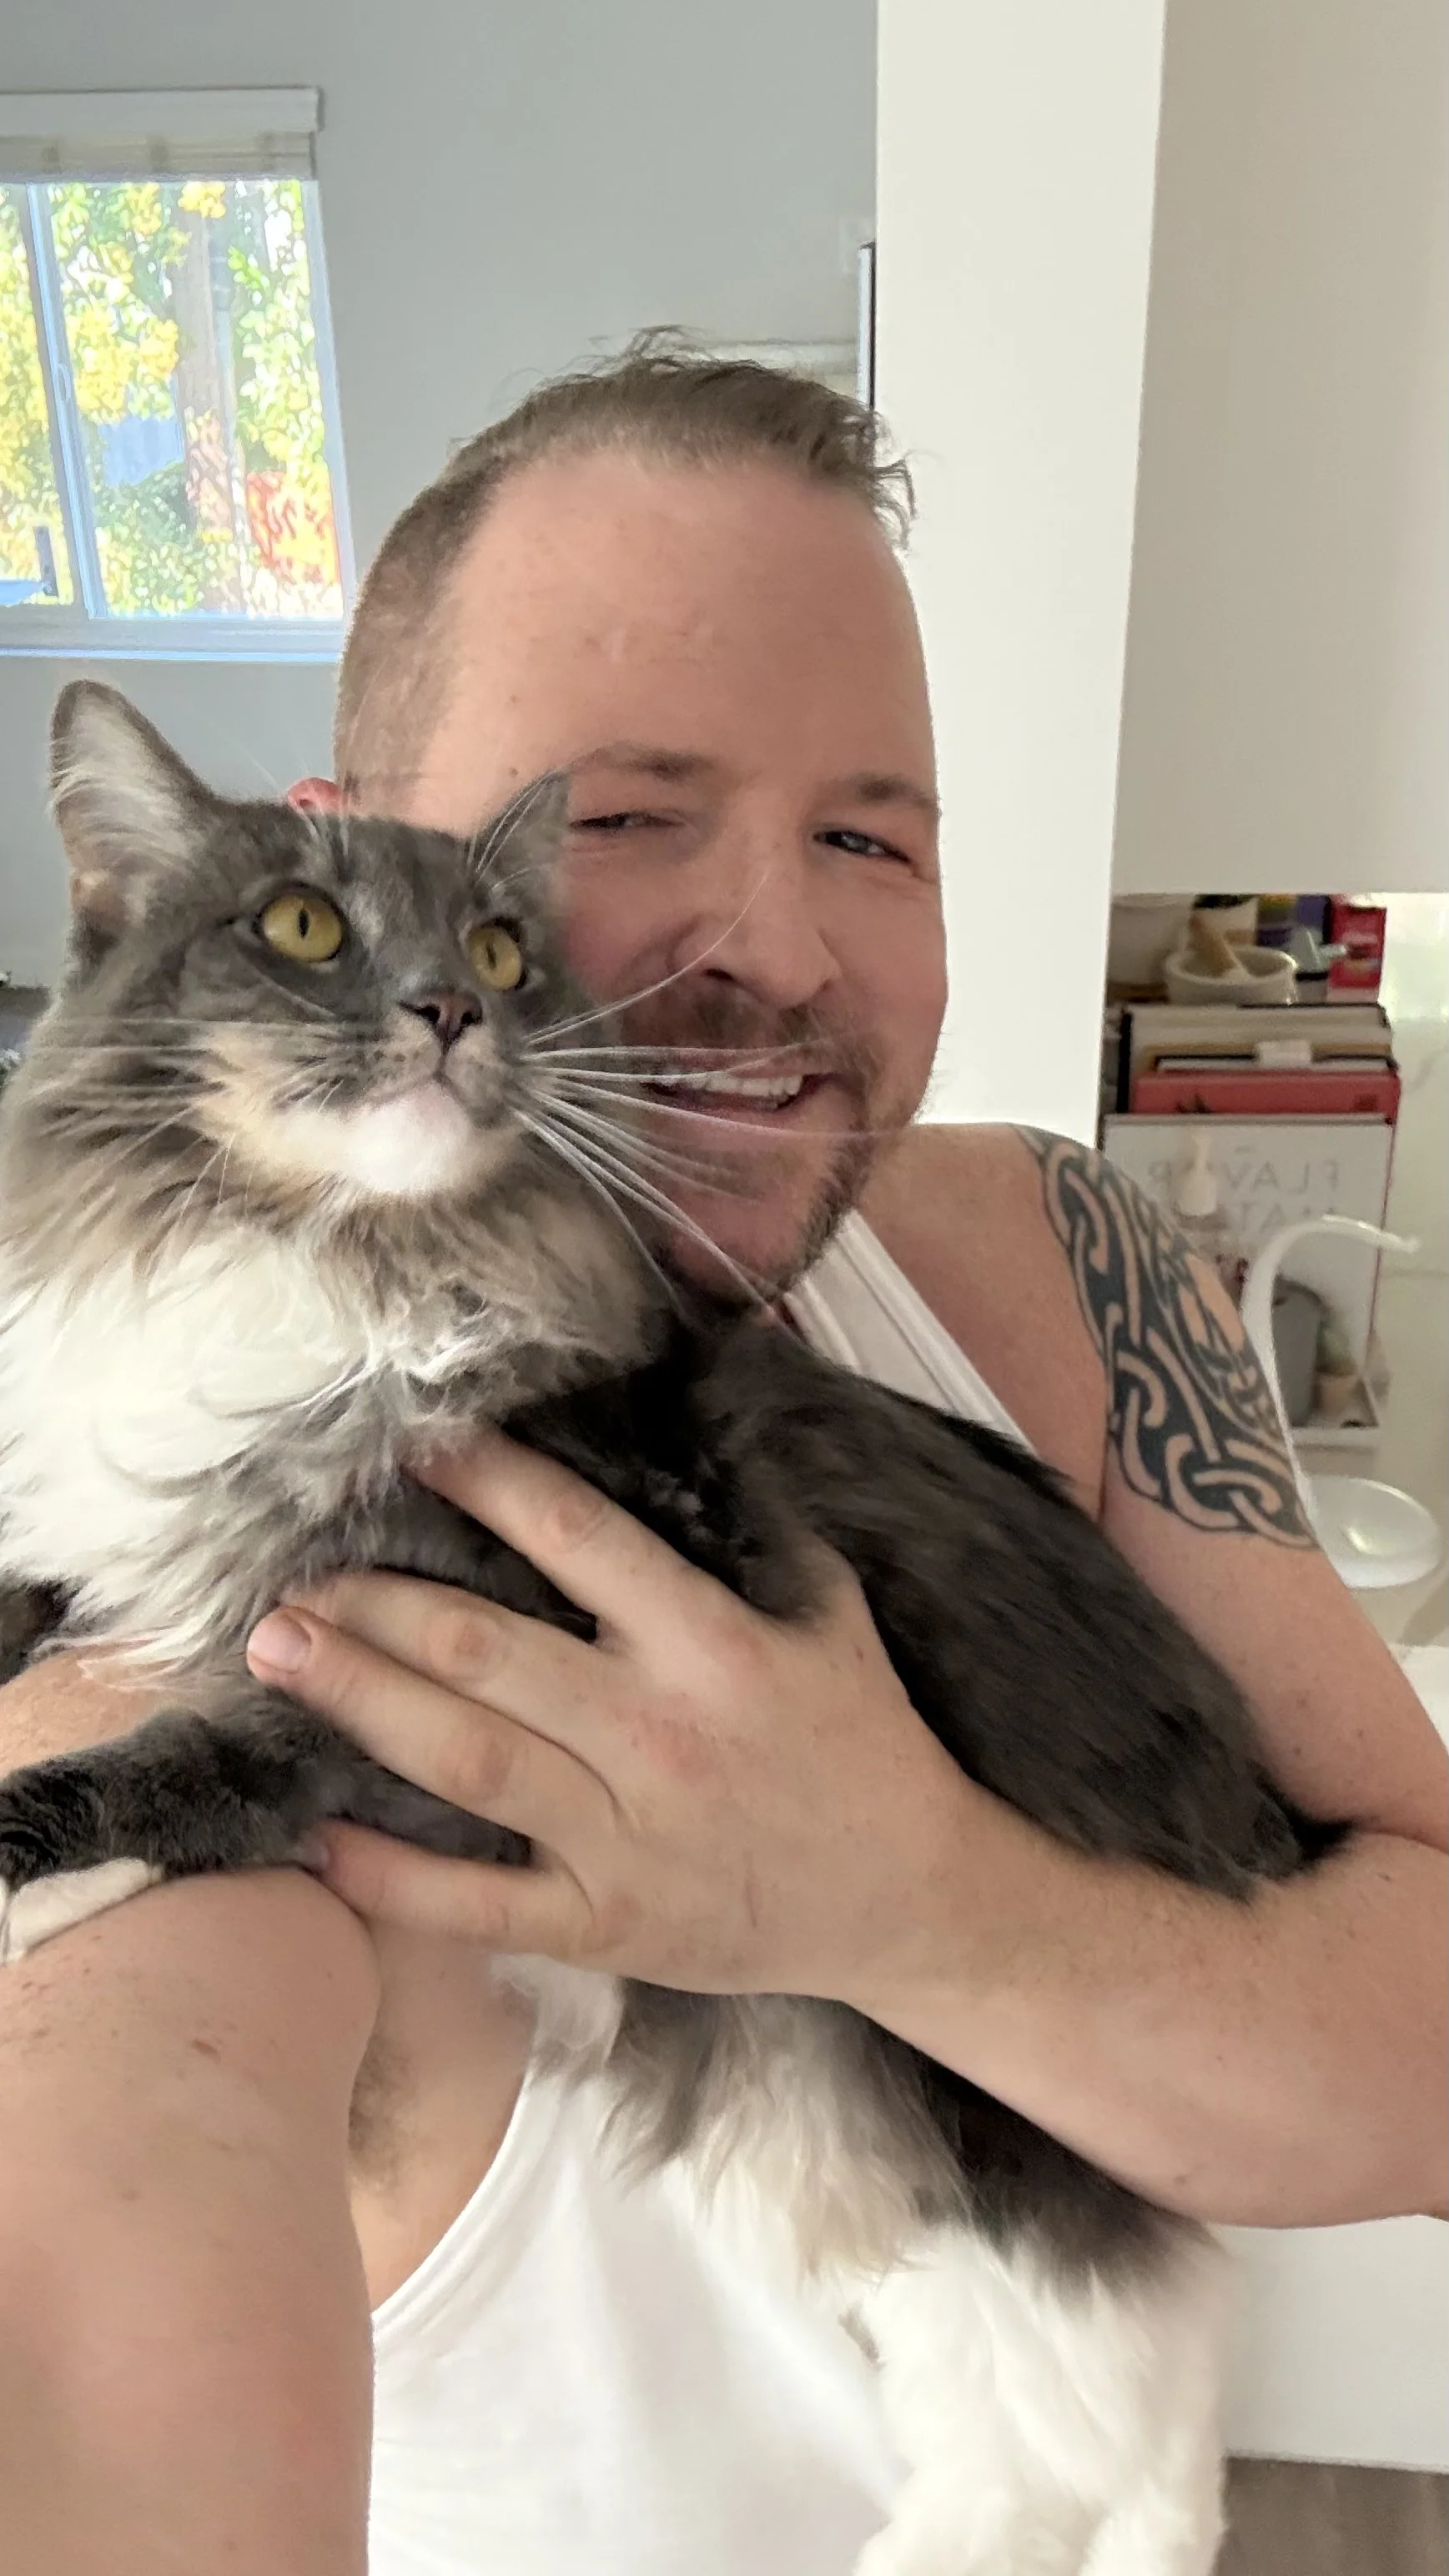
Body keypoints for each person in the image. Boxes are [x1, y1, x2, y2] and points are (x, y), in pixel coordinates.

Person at [0, 341, 1443, 2576]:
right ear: (332, 854)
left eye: (870, 835)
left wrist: (901, 1900)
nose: (776, 944)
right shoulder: (183, 1507)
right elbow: (128, 2118)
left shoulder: (1049, 1257)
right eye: (627, 820)